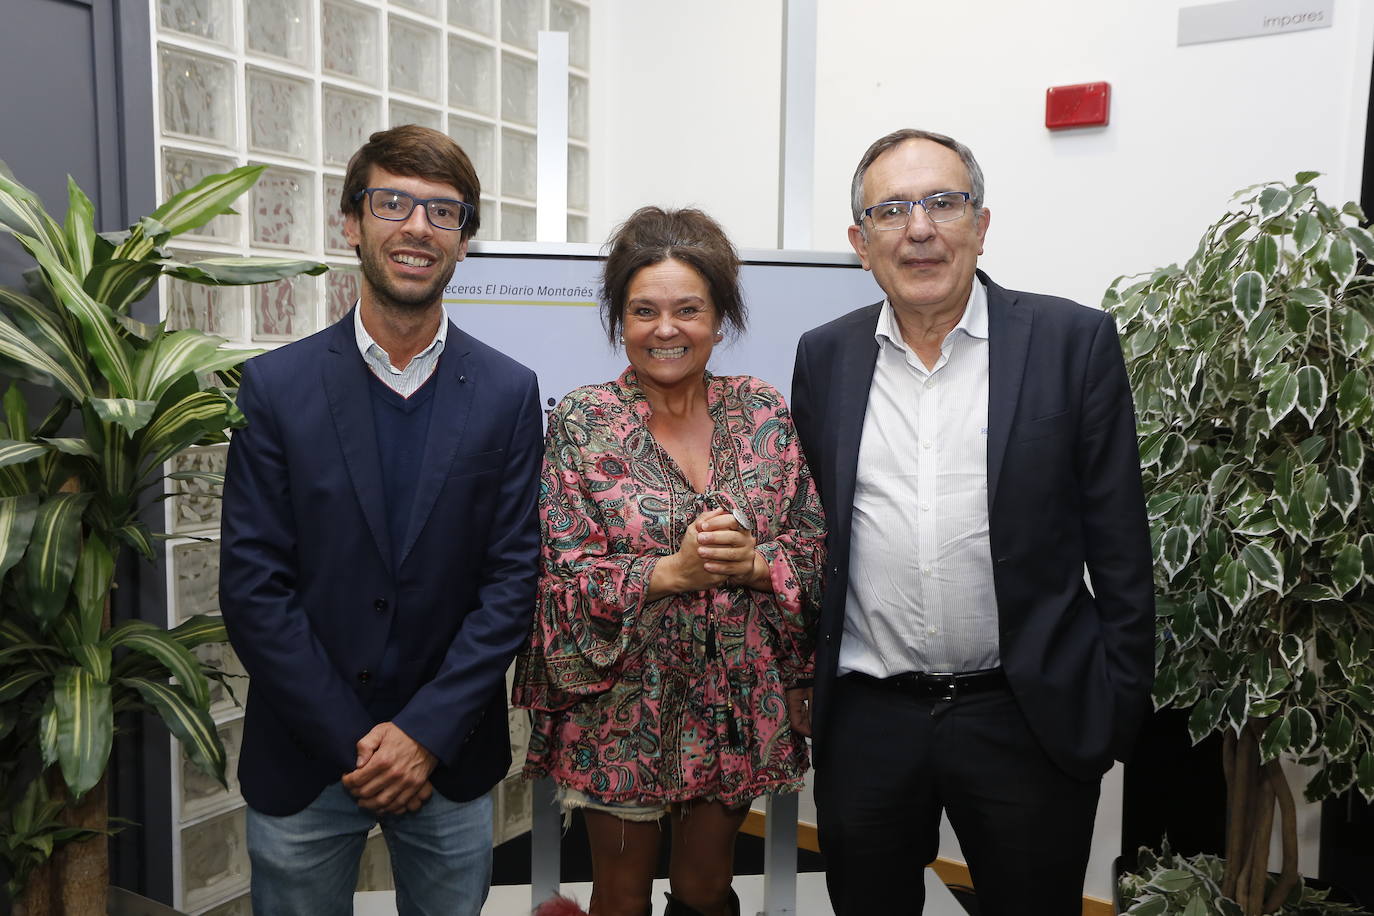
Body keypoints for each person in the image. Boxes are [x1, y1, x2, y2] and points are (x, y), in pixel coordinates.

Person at [789, 128, 1155, 915]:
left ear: (981, 224)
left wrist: (1114, 709)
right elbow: (810, 530)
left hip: (1024, 715)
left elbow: (1121, 546)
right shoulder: (825, 357)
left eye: (943, 203)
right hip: (869, 715)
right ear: (861, 242)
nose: (919, 229)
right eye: (891, 210)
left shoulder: (1071, 342)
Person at [218, 125, 542, 916]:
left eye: (443, 212)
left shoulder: (506, 393)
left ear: (465, 242)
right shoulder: (273, 389)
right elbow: (254, 588)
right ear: (351, 223)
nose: (416, 227)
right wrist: (355, 745)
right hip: (305, 751)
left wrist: (421, 735)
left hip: (449, 754)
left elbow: (511, 582)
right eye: (392, 202)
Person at [513, 206, 825, 916]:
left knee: (707, 889)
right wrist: (668, 575)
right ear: (620, 320)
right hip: (621, 707)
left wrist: (755, 564)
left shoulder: (764, 413)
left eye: (689, 309)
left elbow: (814, 546)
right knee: (619, 897)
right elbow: (560, 573)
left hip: (738, 698)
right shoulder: (586, 421)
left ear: (720, 319)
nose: (665, 329)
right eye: (643, 310)